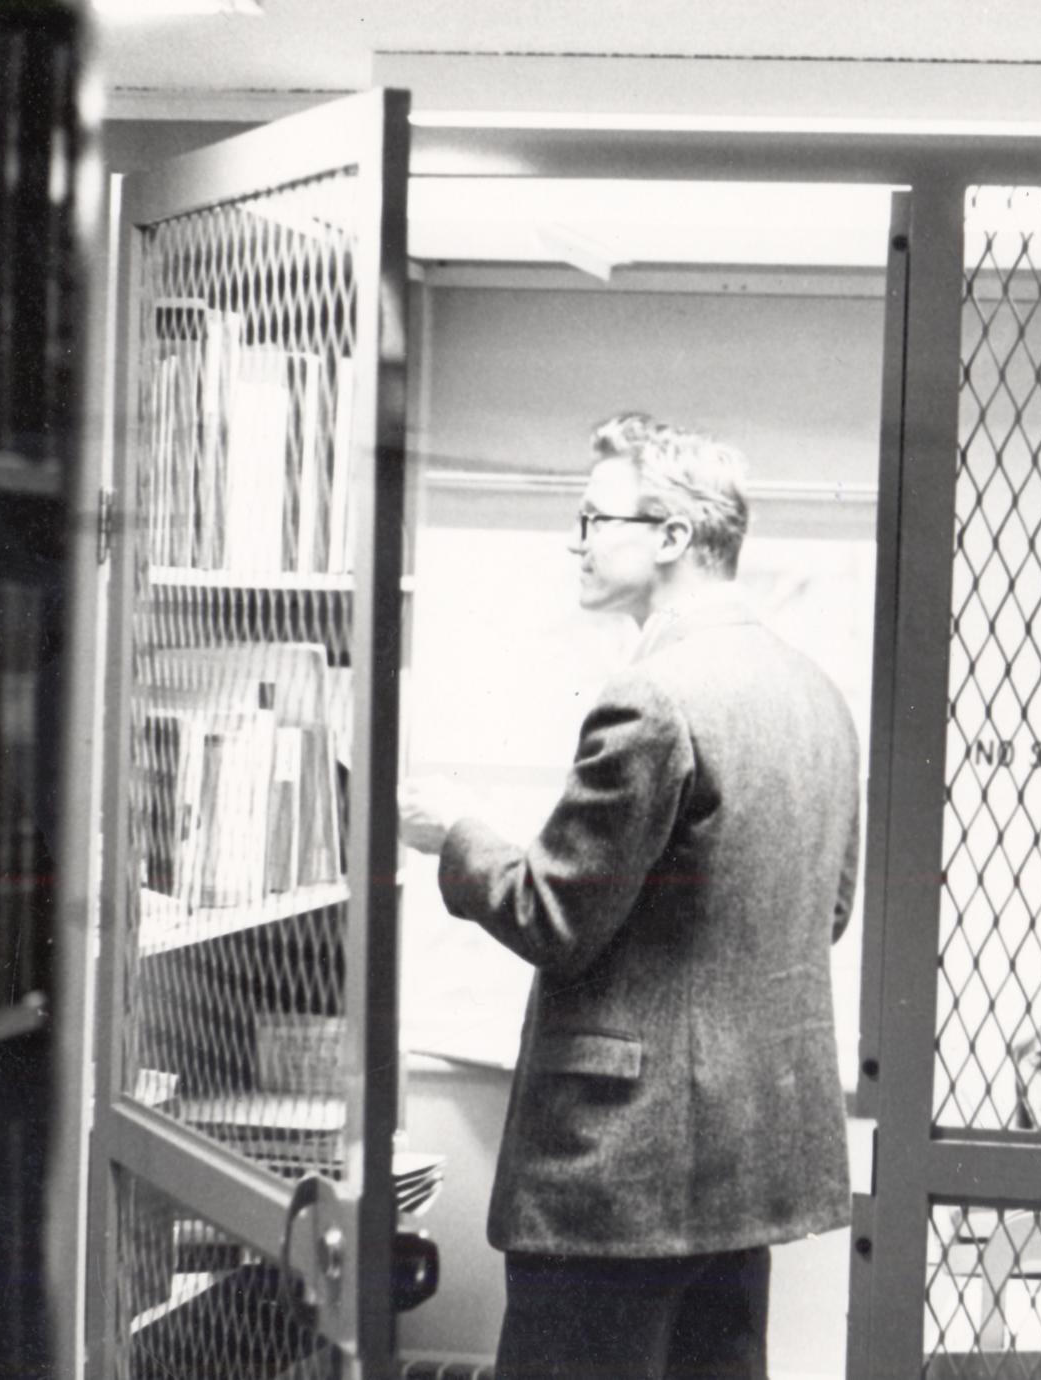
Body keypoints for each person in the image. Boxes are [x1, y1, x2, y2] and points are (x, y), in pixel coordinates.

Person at [399, 414, 862, 1380]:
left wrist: (457, 834)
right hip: (740, 1171)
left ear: (671, 536)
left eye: (592, 518)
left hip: (620, 1175)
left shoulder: (651, 698)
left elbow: (553, 918)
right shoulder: (812, 692)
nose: (576, 541)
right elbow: (824, 915)